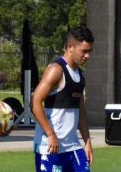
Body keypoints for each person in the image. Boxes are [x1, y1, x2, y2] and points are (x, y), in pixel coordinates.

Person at [30, 26, 94, 172]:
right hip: (51, 147)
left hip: (73, 146)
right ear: (70, 47)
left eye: (90, 51)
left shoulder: (80, 74)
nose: (87, 56)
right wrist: (51, 134)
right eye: (84, 51)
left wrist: (87, 141)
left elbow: (81, 110)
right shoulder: (56, 70)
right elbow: (34, 103)